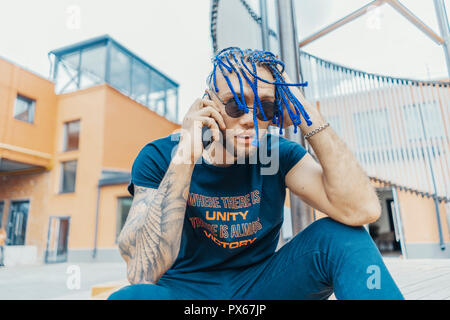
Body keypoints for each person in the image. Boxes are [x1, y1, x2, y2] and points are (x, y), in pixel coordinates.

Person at [108, 47, 404, 300]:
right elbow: (141, 271)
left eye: (265, 106)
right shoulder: (160, 156)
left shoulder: (278, 154)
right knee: (131, 297)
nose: (250, 119)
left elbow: (361, 210)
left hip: (260, 290)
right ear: (208, 104)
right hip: (187, 293)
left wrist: (305, 111)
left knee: (340, 234)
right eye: (236, 104)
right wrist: (186, 154)